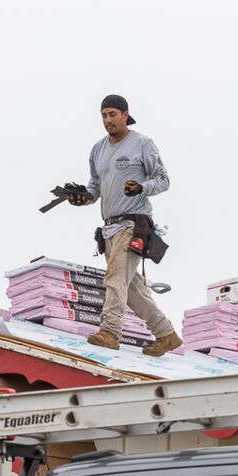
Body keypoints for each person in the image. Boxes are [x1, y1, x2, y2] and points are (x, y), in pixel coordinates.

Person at [69, 94, 181, 354]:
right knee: (131, 289)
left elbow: (163, 180)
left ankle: (110, 332)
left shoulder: (142, 143)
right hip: (110, 227)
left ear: (125, 115)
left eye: (113, 114)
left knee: (115, 277)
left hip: (133, 223)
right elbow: (95, 187)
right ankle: (166, 334)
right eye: (104, 115)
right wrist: (83, 198)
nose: (108, 120)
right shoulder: (98, 149)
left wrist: (141, 187)